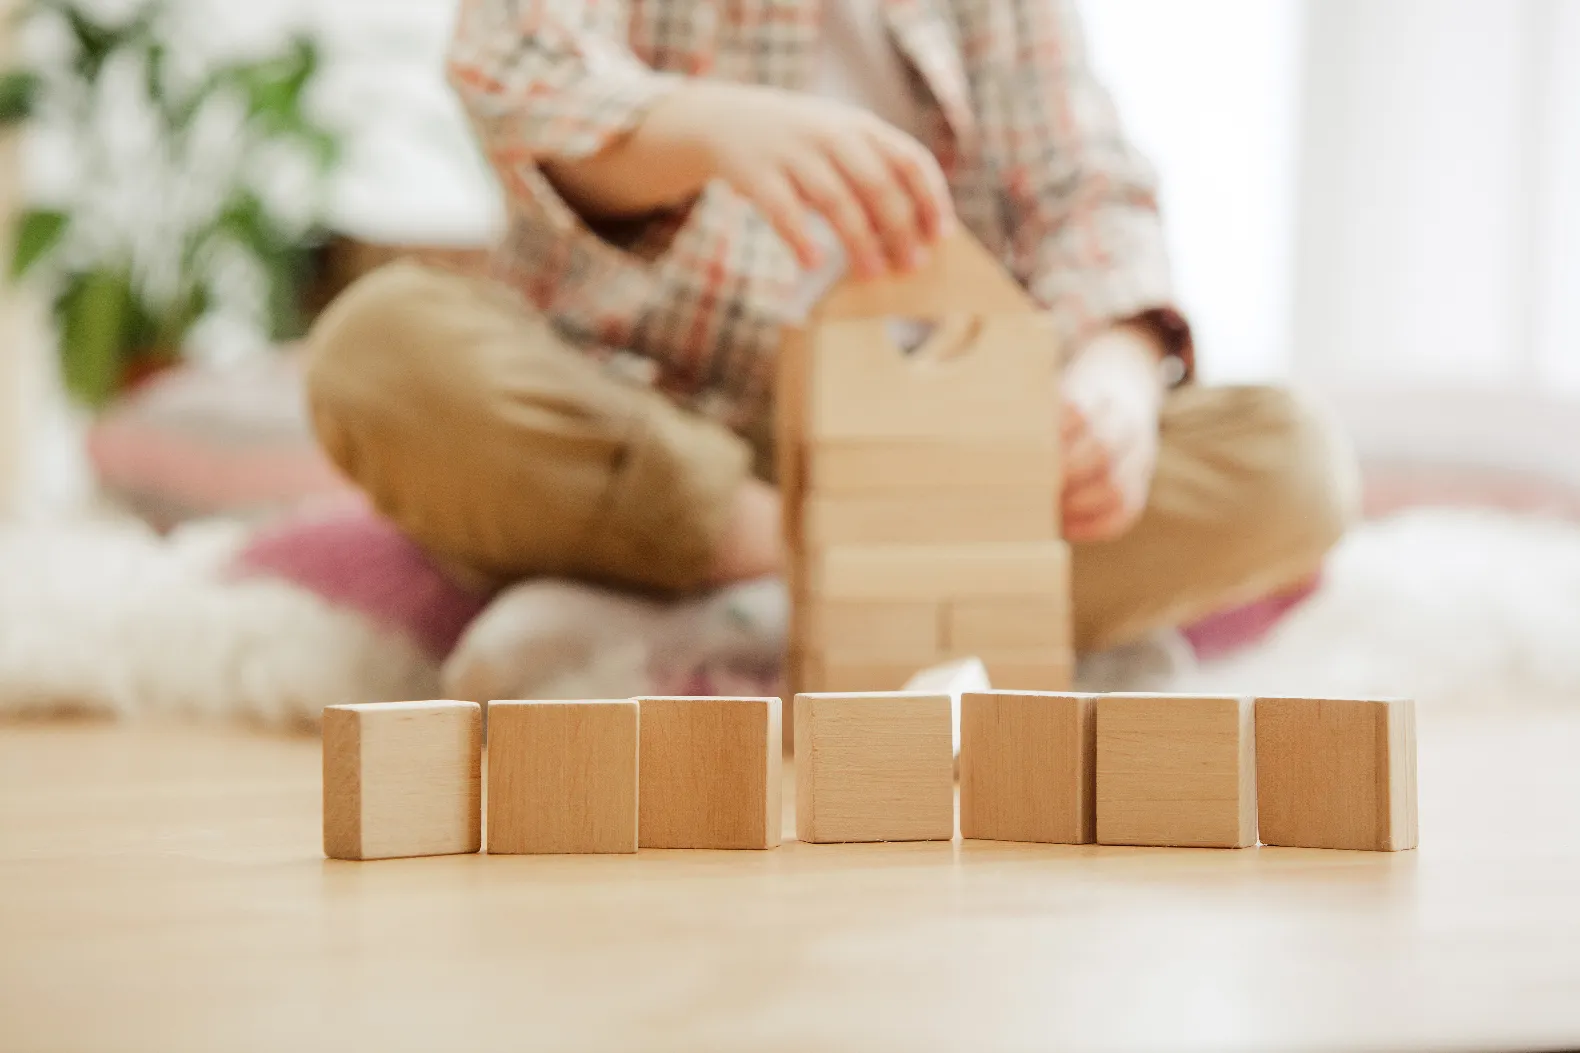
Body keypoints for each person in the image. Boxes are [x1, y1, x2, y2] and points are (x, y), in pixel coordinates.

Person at [302, 0, 1357, 683]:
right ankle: (863, 600)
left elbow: (1087, 188)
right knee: (378, 350)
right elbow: (508, 56)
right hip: (645, 436)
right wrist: (699, 124)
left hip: (925, 460)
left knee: (1289, 460)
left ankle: (714, 624)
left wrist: (1113, 377)